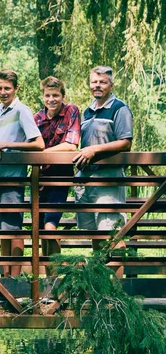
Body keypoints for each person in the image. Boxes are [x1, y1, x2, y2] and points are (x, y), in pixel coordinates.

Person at [72, 66, 132, 273]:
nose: (97, 86)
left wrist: (94, 150)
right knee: (96, 235)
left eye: (102, 82)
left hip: (109, 180)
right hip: (87, 180)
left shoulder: (119, 108)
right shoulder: (87, 111)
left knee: (112, 233)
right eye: (94, 82)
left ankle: (116, 293)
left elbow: (126, 143)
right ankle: (101, 287)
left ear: (111, 85)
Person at [0, 70, 44, 277]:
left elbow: (38, 144)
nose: (3, 92)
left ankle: (16, 279)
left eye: (7, 88)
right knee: (2, 231)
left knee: (14, 229)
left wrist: (5, 145)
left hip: (12, 178)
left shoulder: (21, 111)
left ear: (16, 89)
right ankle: (5, 276)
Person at [33, 76, 80, 271]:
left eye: (55, 95)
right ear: (43, 96)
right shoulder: (37, 118)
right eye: (47, 95)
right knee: (41, 229)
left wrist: (42, 154)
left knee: (50, 226)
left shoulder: (71, 111)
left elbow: (71, 146)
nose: (51, 99)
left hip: (60, 178)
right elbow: (28, 144)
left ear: (63, 96)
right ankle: (49, 280)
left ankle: (60, 274)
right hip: (39, 179)